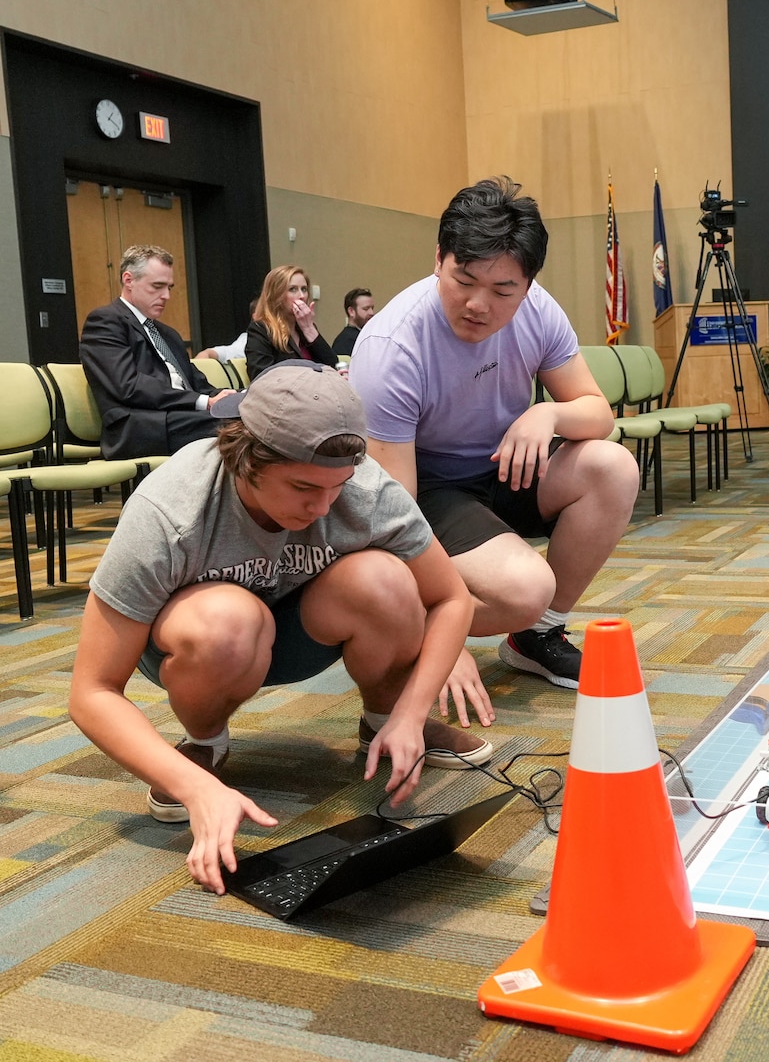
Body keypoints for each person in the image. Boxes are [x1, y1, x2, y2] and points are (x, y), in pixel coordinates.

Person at [68, 361, 492, 895]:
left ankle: (382, 723)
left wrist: (411, 712)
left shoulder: (362, 487)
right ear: (245, 458)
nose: (323, 506)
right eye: (302, 487)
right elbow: (91, 691)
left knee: (385, 578)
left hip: (300, 630)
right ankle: (205, 745)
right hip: (200, 640)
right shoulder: (171, 507)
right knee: (228, 619)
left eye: (336, 487)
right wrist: (194, 789)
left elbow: (451, 597)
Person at [350, 177, 640, 704]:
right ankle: (420, 630)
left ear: (527, 285)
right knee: (525, 588)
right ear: (438, 258)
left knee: (613, 467)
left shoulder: (538, 311)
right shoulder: (392, 347)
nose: (478, 304)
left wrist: (547, 413)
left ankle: (537, 636)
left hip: (505, 464)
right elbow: (393, 513)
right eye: (463, 279)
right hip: (429, 487)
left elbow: (598, 414)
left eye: (503, 290)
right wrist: (446, 634)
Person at [80, 244, 235, 458]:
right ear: (129, 280)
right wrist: (204, 403)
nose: (166, 296)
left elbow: (196, 383)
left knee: (249, 416)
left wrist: (226, 398)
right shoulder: (106, 322)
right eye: (157, 286)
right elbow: (128, 386)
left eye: (169, 287)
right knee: (236, 427)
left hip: (181, 417)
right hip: (143, 425)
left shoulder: (168, 334)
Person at [244, 265, 340, 382]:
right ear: (276, 295)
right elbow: (260, 376)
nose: (302, 296)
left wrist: (309, 329)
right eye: (293, 289)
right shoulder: (261, 329)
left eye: (304, 289)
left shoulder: (305, 328)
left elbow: (332, 365)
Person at [333, 288, 375, 356]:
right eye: (366, 309)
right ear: (351, 311)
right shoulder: (345, 342)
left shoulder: (363, 336)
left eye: (372, 308)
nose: (371, 313)